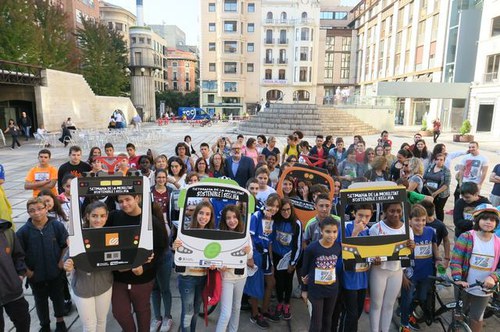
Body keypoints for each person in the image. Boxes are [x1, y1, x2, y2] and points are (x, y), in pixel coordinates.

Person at [106, 193, 167, 332]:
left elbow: (161, 248)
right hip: (119, 277)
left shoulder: (150, 221)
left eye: (128, 199)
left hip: (142, 278)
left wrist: (145, 267)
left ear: (137, 199)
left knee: (142, 310)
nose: (124, 204)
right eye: (120, 201)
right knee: (120, 312)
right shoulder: (114, 216)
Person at [17, 197, 69, 332]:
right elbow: (18, 255)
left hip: (55, 272)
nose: (37, 213)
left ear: (46, 208)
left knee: (58, 297)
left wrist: (61, 261)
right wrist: (28, 272)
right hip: (36, 275)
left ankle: (60, 321)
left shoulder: (56, 226)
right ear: (28, 213)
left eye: (40, 209)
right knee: (40, 301)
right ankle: (44, 324)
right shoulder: (23, 232)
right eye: (32, 211)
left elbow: (65, 245)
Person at [63, 202, 113, 332]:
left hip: (104, 286)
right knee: (90, 326)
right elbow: (67, 260)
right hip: (82, 288)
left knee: (102, 321)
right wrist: (68, 266)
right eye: (94, 216)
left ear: (107, 217)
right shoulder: (78, 236)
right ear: (87, 216)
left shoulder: (112, 235)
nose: (98, 220)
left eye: (102, 216)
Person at [450, 204, 500, 332]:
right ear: (477, 220)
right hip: (464, 286)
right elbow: (456, 260)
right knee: (459, 314)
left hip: (484, 289)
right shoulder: (466, 237)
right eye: (485, 219)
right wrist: (458, 278)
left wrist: (493, 277)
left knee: (477, 317)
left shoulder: (498, 242)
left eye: (492, 220)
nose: (489, 222)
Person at [368, 202, 415, 332]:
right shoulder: (376, 228)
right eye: (392, 211)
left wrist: (411, 248)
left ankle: (385, 330)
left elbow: (407, 255)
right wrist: (373, 260)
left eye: (399, 211)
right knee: (376, 304)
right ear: (385, 211)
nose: (395, 214)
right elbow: (369, 252)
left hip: (397, 271)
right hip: (379, 270)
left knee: (389, 304)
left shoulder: (407, 229)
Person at [173, 201, 215, 332]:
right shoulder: (185, 232)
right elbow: (176, 252)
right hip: (188, 277)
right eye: (201, 213)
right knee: (188, 312)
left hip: (203, 278)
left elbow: (214, 257)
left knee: (196, 311)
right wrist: (175, 247)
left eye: (207, 214)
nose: (204, 217)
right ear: (196, 214)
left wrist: (215, 264)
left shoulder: (213, 235)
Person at [400, 204, 438, 332]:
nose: (420, 223)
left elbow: (434, 245)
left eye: (423, 219)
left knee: (422, 297)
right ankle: (404, 323)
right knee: (408, 298)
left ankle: (405, 312)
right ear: (409, 220)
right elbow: (400, 257)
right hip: (411, 274)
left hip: (426, 273)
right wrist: (403, 274)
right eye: (417, 220)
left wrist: (438, 259)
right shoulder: (405, 236)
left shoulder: (430, 231)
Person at [245, 194, 281, 328]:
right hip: (256, 254)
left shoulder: (272, 220)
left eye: (277, 206)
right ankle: (255, 313)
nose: (275, 208)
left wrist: (271, 261)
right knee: (255, 284)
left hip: (266, 255)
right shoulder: (256, 216)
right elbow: (249, 237)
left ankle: (264, 310)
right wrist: (250, 257)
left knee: (271, 282)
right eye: (272, 205)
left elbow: (270, 241)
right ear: (266, 204)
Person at [215, 205, 253, 332]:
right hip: (226, 277)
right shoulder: (220, 234)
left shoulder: (245, 233)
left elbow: (250, 255)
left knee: (237, 308)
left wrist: (248, 251)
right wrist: (220, 266)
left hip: (241, 276)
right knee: (226, 313)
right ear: (224, 220)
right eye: (228, 218)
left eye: (234, 217)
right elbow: (216, 256)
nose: (232, 220)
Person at [301, 216, 341, 332]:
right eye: (328, 231)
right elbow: (305, 269)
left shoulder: (338, 247)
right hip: (316, 290)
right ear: (321, 231)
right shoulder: (312, 248)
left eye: (334, 232)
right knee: (316, 323)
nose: (331, 235)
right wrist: (304, 290)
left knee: (327, 321)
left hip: (332, 290)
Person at [339, 204, 373, 332]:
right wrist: (356, 232)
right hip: (349, 277)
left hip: (362, 278)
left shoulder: (370, 231)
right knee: (350, 313)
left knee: (357, 312)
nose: (363, 219)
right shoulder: (345, 227)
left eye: (367, 216)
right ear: (354, 214)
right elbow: (345, 251)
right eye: (360, 215)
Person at [271, 199, 302, 320]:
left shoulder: (296, 223)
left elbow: (298, 245)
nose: (285, 212)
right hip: (277, 256)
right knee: (279, 282)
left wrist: (293, 262)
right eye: (283, 210)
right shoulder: (276, 221)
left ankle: (287, 304)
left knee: (288, 281)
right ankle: (279, 302)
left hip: (289, 257)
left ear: (291, 209)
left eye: (288, 209)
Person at [0, 217, 30, 332]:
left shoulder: (6, 231)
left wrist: (20, 274)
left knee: (23, 321)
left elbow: (18, 255)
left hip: (12, 289)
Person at [420, 200, 451, 267]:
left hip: (433, 258)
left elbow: (446, 241)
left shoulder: (440, 225)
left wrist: (447, 258)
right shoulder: (418, 224)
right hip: (419, 256)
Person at [422, 153, 451, 221]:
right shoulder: (430, 167)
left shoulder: (446, 171)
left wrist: (435, 193)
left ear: (444, 161)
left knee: (439, 210)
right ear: (435, 160)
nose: (439, 161)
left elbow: (446, 185)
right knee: (427, 208)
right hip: (428, 191)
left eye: (441, 160)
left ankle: (440, 225)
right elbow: (424, 177)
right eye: (437, 159)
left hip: (441, 194)